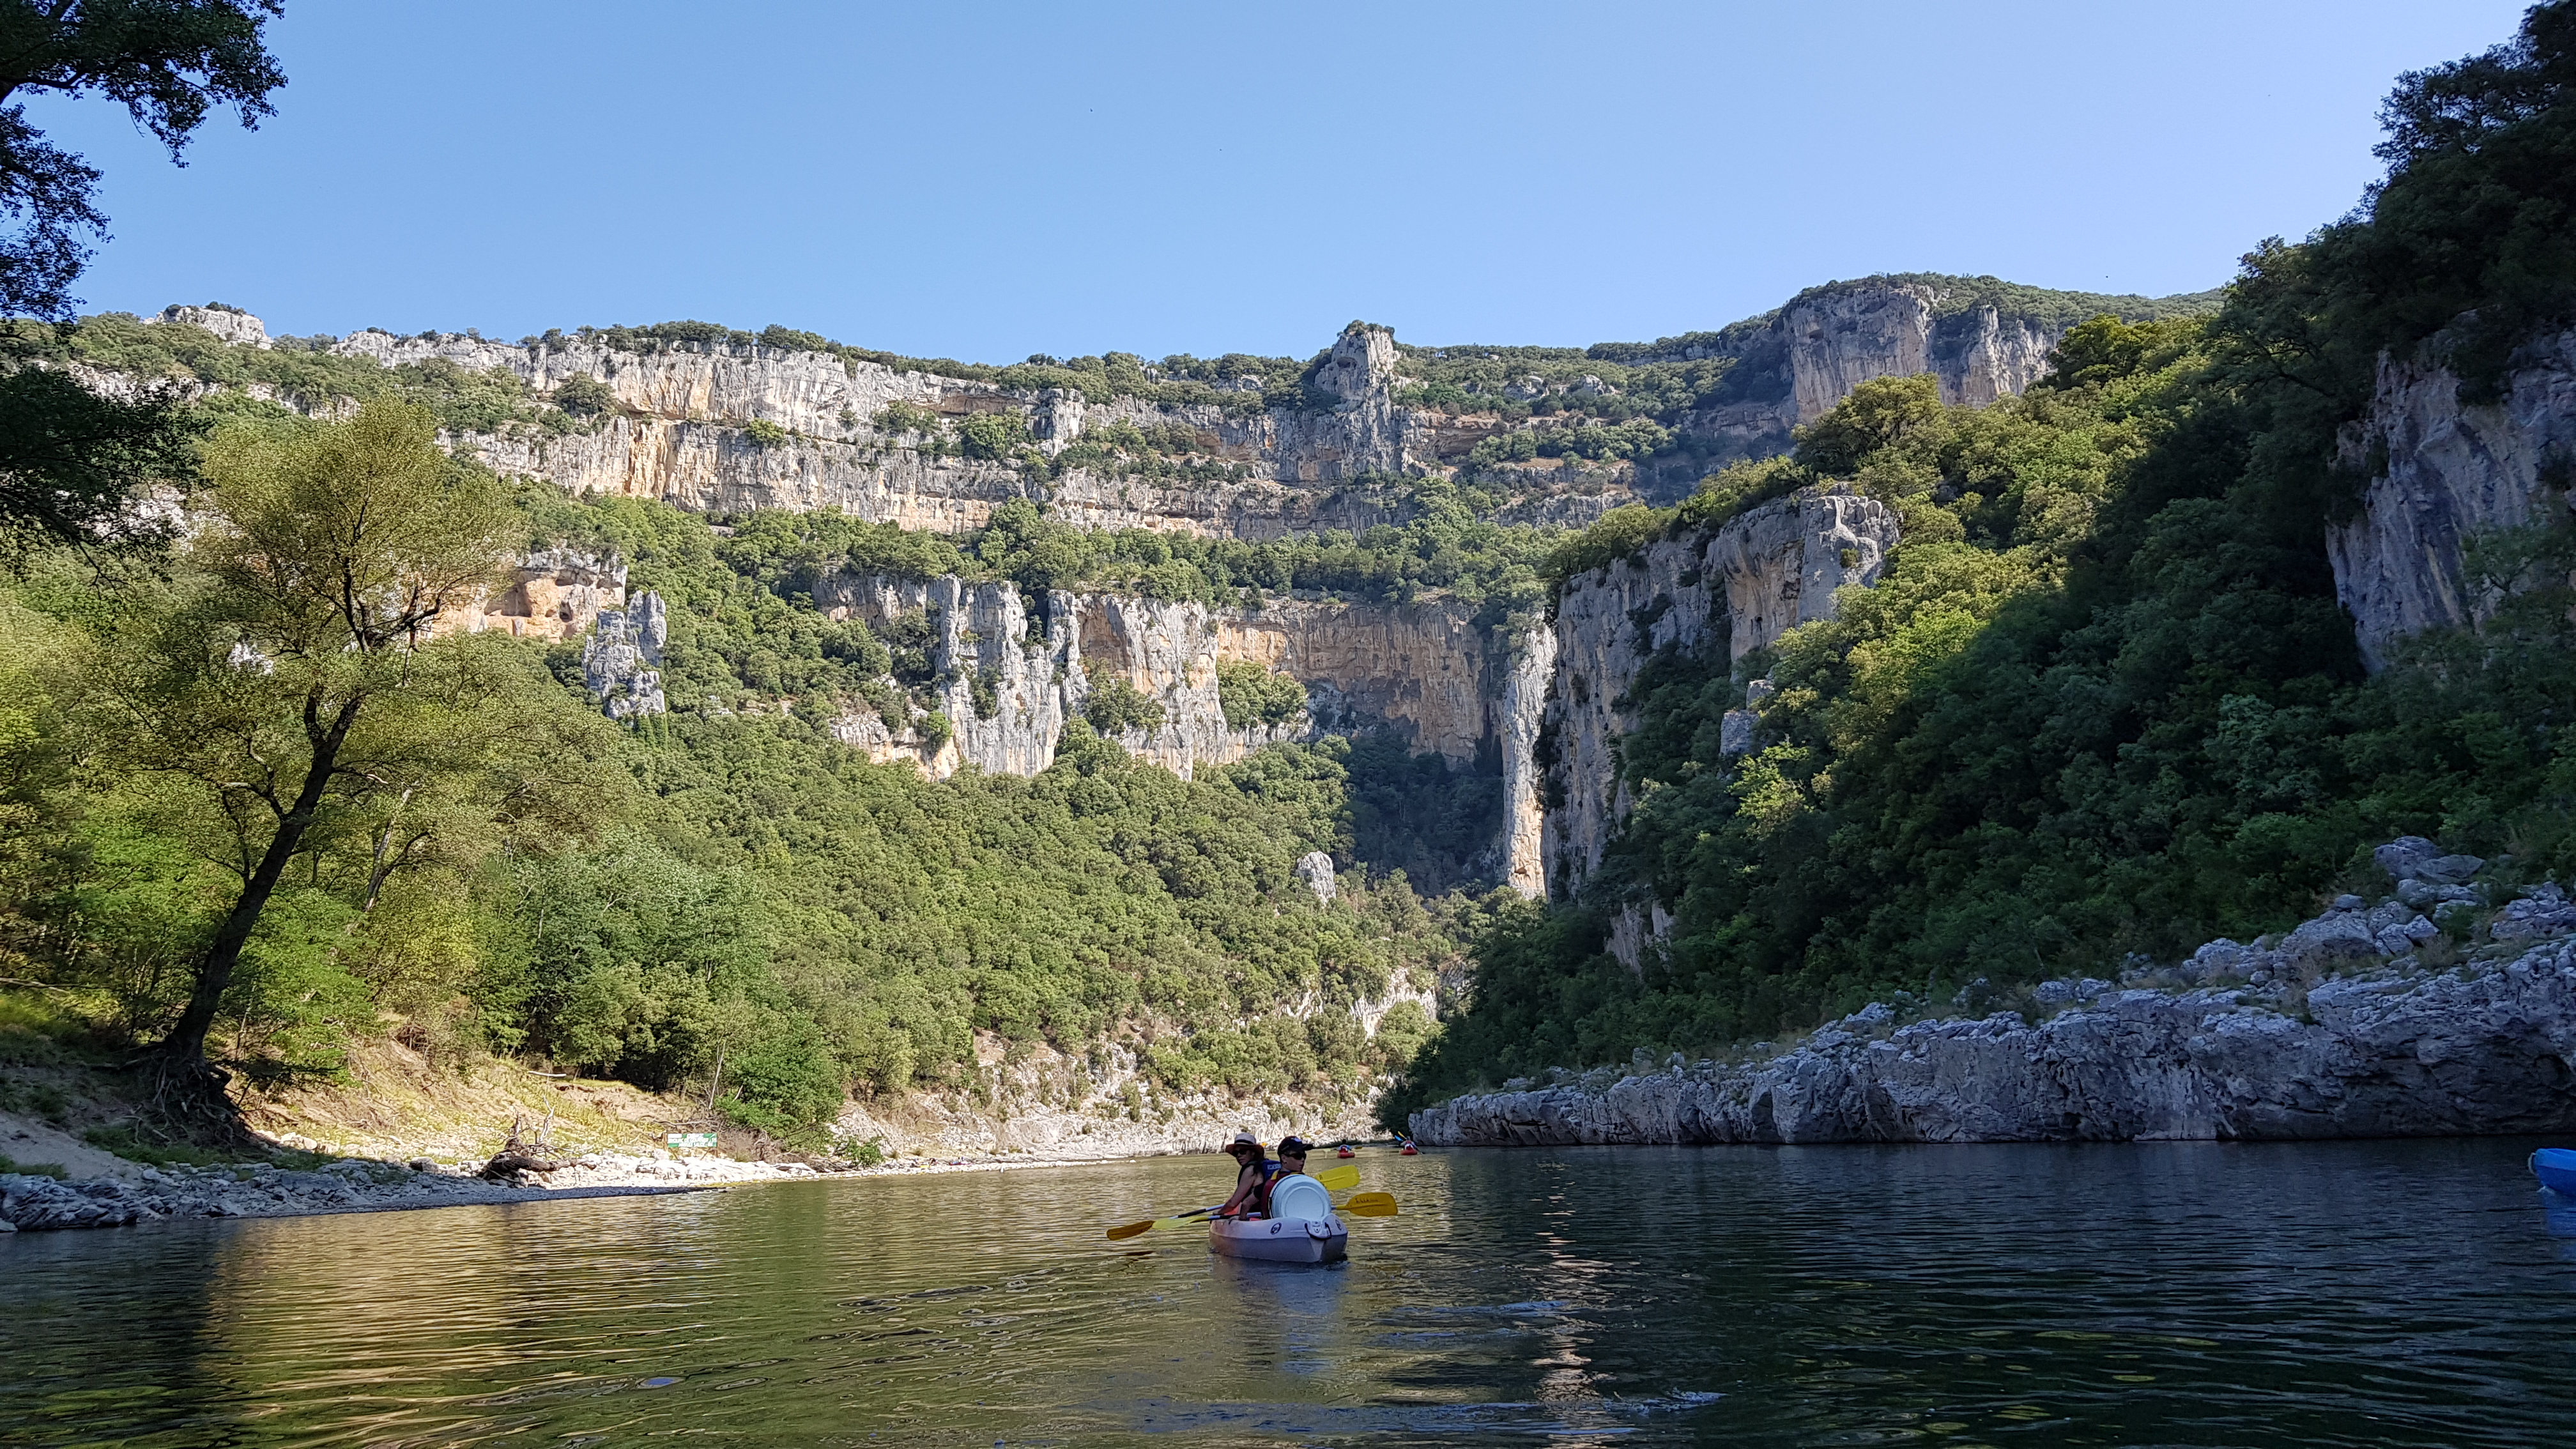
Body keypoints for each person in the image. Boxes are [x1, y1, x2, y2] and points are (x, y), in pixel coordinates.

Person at [1216, 1131, 1272, 1219]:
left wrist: (1218, 1213)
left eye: (1243, 1152)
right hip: (1266, 1215)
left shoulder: (1250, 1170)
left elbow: (1233, 1203)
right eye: (1236, 1153)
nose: (1239, 1156)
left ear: (1253, 1153)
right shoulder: (1261, 1166)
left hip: (1256, 1217)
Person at [1262, 1137, 1312, 1216]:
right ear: (1284, 1158)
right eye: (1298, 1156)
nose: (1302, 1160)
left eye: (1304, 1156)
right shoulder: (1271, 1185)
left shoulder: (1271, 1183)